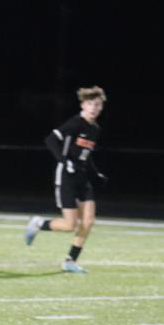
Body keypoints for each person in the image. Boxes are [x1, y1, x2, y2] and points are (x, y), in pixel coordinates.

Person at [24, 86, 108, 272]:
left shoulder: (95, 129)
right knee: (70, 225)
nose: (94, 108)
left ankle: (70, 261)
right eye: (90, 104)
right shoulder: (75, 123)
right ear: (83, 105)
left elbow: (87, 154)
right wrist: (65, 161)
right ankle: (39, 223)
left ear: (101, 107)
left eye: (97, 105)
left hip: (82, 178)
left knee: (89, 221)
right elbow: (50, 140)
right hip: (67, 176)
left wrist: (96, 173)